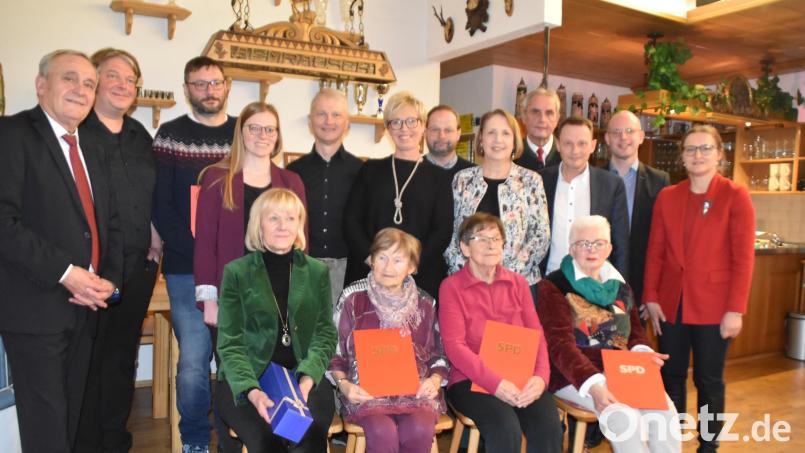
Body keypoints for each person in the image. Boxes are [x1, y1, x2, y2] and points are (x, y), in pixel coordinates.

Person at [0, 49, 123, 453]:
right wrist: (67, 273)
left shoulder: (95, 147)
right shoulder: (11, 134)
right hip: (35, 306)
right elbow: (3, 222)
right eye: (70, 78)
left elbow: (110, 224)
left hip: (86, 307)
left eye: (89, 83)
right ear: (41, 85)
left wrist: (109, 281)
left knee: (71, 423)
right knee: (47, 428)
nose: (81, 90)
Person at [643, 125, 755, 453]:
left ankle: (708, 445)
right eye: (691, 149)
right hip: (671, 302)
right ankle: (670, 441)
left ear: (719, 154)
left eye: (705, 148)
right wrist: (650, 296)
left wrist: (735, 309)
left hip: (715, 306)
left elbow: (743, 259)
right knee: (671, 375)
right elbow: (655, 251)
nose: (698, 155)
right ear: (682, 156)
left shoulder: (735, 196)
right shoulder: (668, 196)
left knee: (708, 380)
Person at [75, 47, 161, 453]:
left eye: (130, 80)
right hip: (91, 268)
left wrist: (156, 236)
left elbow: (149, 194)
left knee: (123, 357)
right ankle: (85, 442)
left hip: (138, 267)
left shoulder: (140, 136)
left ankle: (114, 440)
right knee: (88, 358)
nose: (123, 85)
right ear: (95, 81)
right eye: (113, 76)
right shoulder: (77, 131)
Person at [537, 215, 681, 453]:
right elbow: (560, 346)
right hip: (573, 375)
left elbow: (635, 332)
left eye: (599, 243)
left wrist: (643, 352)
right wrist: (595, 386)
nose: (592, 249)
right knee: (626, 419)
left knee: (666, 413)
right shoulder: (553, 287)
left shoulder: (619, 285)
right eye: (584, 243)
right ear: (571, 249)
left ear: (609, 248)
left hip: (622, 370)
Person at [152, 56, 236, 453]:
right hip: (186, 268)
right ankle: (196, 440)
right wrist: (201, 252)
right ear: (187, 89)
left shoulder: (244, 132)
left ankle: (234, 437)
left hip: (237, 270)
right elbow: (161, 206)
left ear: (226, 86)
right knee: (193, 361)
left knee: (235, 358)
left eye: (215, 82)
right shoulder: (170, 135)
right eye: (199, 84)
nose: (208, 90)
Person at [216, 188, 336, 453]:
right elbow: (230, 343)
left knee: (309, 434)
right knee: (267, 441)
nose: (283, 226)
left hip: (303, 373)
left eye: (291, 218)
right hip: (247, 377)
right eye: (274, 218)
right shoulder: (237, 273)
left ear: (299, 225)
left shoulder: (317, 272)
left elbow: (325, 333)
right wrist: (253, 392)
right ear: (259, 224)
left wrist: (307, 379)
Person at [439, 213, 562, 453]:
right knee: (505, 427)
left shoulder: (518, 283)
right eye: (482, 238)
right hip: (471, 379)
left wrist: (540, 378)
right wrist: (496, 383)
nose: (491, 245)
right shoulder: (451, 287)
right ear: (464, 247)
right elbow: (455, 347)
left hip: (520, 375)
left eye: (496, 239)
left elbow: (537, 335)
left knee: (548, 426)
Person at [330, 228, 448, 453]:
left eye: (398, 260)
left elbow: (438, 356)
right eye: (382, 257)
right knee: (382, 432)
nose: (388, 267)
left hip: (415, 394)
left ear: (411, 267)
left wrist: (434, 380)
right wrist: (344, 385)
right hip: (365, 394)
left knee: (419, 429)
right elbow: (335, 352)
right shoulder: (352, 299)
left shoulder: (425, 304)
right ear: (371, 260)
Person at [194, 101, 307, 328]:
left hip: (278, 296)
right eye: (254, 128)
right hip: (232, 296)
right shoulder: (216, 179)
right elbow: (205, 243)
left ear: (277, 136)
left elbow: (300, 243)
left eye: (269, 129)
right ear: (241, 132)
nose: (262, 135)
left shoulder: (291, 182)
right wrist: (209, 302)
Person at [343, 91, 453, 299]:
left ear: (423, 126)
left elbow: (442, 231)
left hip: (419, 278)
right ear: (388, 129)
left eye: (411, 121)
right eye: (396, 122)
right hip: (369, 274)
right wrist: (373, 260)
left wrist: (411, 265)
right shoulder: (370, 170)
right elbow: (351, 221)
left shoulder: (439, 178)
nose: (404, 128)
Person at [444, 109, 550, 297]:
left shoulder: (531, 181)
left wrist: (503, 277)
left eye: (505, 133)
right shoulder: (462, 180)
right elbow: (452, 234)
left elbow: (540, 236)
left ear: (515, 141)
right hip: (467, 286)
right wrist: (468, 274)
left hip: (517, 286)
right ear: (481, 139)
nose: (498, 140)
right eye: (491, 132)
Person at [288, 88, 362, 306]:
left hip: (349, 270)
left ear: (347, 123)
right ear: (310, 122)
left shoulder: (362, 172)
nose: (329, 121)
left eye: (336, 114)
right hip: (302, 268)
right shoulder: (293, 173)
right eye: (321, 114)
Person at [540, 117, 629, 278]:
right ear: (558, 145)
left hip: (593, 283)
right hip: (547, 280)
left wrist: (618, 287)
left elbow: (620, 245)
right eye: (568, 143)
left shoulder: (611, 185)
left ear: (593, 146)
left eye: (582, 143)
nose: (575, 151)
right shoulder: (539, 181)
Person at [605, 110, 670, 309]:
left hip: (642, 284)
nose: (623, 137)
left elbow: (664, 240)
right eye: (616, 132)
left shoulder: (660, 181)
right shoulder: (593, 177)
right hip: (599, 281)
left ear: (641, 137)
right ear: (607, 139)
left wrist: (653, 293)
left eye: (629, 131)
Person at [513, 88, 562, 172]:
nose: (542, 119)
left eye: (549, 113)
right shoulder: (511, 157)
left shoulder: (568, 156)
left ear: (557, 119)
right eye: (535, 112)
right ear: (524, 116)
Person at [424, 104, 474, 179]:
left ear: (458, 134)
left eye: (448, 130)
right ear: (425, 133)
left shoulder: (474, 175)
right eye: (435, 129)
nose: (441, 136)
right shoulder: (411, 172)